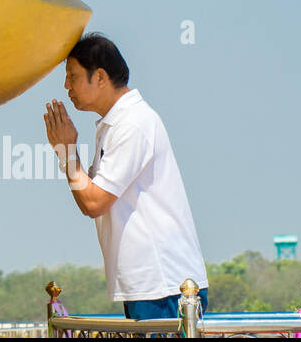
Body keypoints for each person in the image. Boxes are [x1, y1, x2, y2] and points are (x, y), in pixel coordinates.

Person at [44, 33, 209, 322]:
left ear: (100, 76)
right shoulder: (115, 124)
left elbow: (93, 202)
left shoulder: (133, 123)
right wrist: (66, 153)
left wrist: (67, 152)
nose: (66, 86)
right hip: (148, 284)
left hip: (163, 284)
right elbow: (90, 195)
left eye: (72, 75)